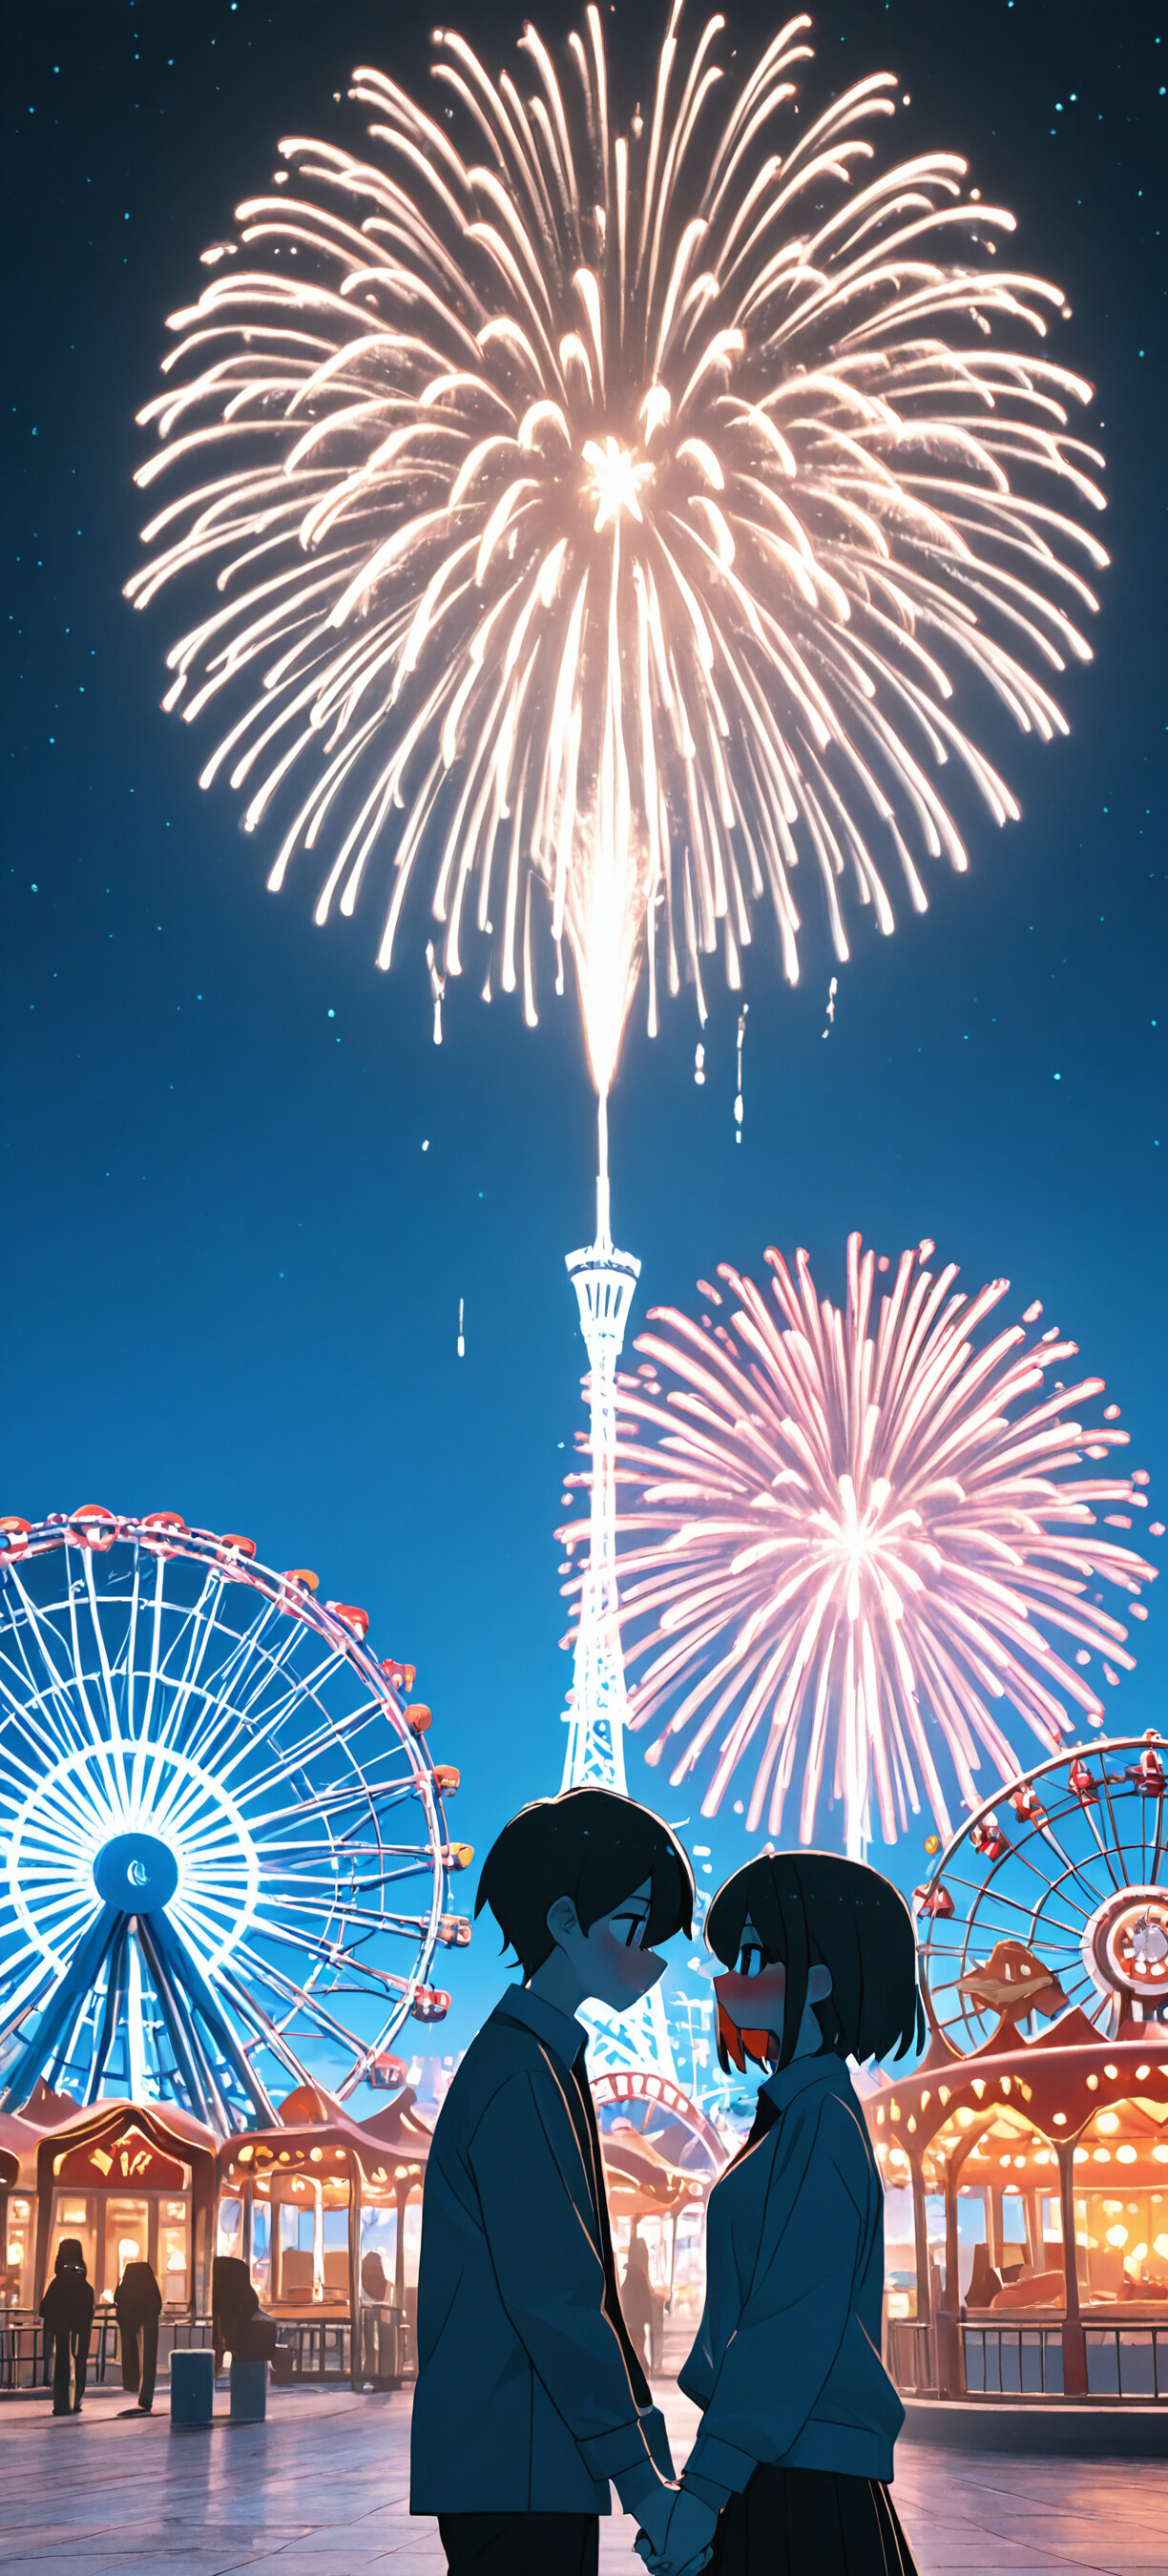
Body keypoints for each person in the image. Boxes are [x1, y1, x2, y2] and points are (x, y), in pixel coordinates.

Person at [410, 1785, 695, 2576]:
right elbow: (557, 2295)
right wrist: (644, 2484)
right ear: (565, 1923)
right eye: (634, 1929)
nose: (653, 1957)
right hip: (520, 2459)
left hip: (515, 2457)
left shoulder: (533, 2062)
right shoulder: (522, 2078)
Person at [649, 1851, 924, 2576]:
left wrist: (704, 2490)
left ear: (822, 1976)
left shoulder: (820, 2123)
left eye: (752, 1957)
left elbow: (789, 2326)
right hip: (785, 2457)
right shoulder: (796, 2114)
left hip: (797, 2471)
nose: (727, 1980)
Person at [40, 2240, 94, 2417]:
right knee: (79, 2362)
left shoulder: (57, 2282)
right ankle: (76, 2399)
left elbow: (45, 2307)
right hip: (79, 2327)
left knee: (61, 2364)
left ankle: (62, 2403)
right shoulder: (81, 2279)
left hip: (60, 2328)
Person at [114, 2256, 163, 2414]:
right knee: (149, 2360)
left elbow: (117, 2298)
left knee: (131, 2353)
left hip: (131, 2322)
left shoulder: (126, 2286)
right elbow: (157, 2304)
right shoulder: (150, 2286)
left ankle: (132, 2384)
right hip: (149, 2320)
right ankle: (146, 2397)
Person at [622, 2233, 664, 2377]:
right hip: (637, 2328)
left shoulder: (630, 2281)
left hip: (632, 2327)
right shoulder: (641, 2280)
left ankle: (643, 2378)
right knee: (639, 2356)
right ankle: (644, 2377)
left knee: (637, 2356)